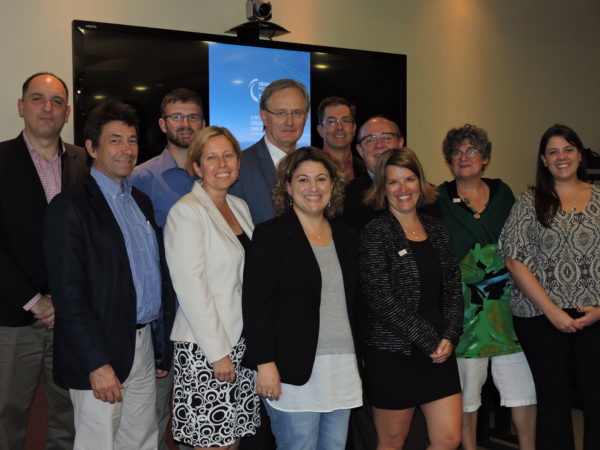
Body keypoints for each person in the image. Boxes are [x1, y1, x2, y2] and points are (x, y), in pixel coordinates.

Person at [44, 99, 172, 449]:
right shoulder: (69, 206)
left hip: (142, 345)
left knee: (142, 441)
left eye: (132, 140)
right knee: (98, 442)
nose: (126, 149)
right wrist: (96, 363)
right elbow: (68, 296)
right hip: (100, 350)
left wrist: (158, 348)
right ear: (91, 147)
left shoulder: (140, 202)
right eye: (115, 140)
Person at [242, 147, 362, 449]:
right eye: (303, 179)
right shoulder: (270, 235)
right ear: (287, 187)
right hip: (293, 369)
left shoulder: (346, 236)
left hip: (343, 366)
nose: (313, 187)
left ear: (333, 185)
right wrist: (265, 363)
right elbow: (256, 306)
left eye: (321, 179)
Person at [498, 124, 600, 450]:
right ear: (543, 160)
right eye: (553, 152)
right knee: (553, 402)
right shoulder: (530, 201)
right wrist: (553, 312)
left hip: (595, 317)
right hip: (540, 317)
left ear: (580, 155)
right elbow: (513, 260)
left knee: (596, 399)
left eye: (568, 149)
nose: (561, 157)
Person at [0, 72, 88, 449]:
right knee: (6, 415)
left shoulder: (86, 161)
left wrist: (67, 301)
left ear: (67, 112)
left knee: (69, 413)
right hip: (12, 317)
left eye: (56, 102)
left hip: (71, 318)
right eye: (38, 99)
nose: (47, 108)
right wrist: (35, 301)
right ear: (22, 107)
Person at [437, 124, 536, 450]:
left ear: (485, 158)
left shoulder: (503, 193)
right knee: (467, 398)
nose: (464, 157)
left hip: (510, 309)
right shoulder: (438, 198)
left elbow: (522, 244)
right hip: (464, 315)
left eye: (472, 151)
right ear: (448, 161)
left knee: (522, 392)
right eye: (456, 152)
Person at [359, 147, 463, 450]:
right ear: (383, 188)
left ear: (420, 182)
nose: (402, 189)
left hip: (441, 351)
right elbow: (380, 299)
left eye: (409, 179)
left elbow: (453, 289)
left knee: (449, 439)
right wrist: (429, 340)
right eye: (393, 182)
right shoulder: (375, 233)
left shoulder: (437, 230)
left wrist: (450, 335)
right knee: (392, 442)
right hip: (394, 355)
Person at [164, 126, 260, 449]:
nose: (222, 164)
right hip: (206, 349)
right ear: (197, 166)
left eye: (228, 156)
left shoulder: (239, 206)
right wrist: (218, 353)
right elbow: (191, 288)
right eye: (211, 158)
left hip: (241, 343)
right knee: (213, 442)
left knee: (232, 439)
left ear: (238, 163)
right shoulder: (186, 212)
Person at [131, 87, 205, 450]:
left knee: (201, 418)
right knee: (155, 417)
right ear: (163, 124)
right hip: (162, 321)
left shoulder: (216, 175)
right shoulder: (140, 178)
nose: (185, 123)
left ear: (203, 122)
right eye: (177, 117)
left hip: (207, 319)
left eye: (193, 116)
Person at [229, 78, 309, 225]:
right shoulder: (239, 167)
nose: (290, 122)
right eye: (281, 113)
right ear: (264, 116)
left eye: (297, 113)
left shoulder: (316, 165)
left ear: (306, 117)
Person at [340, 116, 405, 233]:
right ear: (360, 150)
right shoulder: (344, 198)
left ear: (400, 143)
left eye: (387, 137)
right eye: (370, 139)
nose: (379, 145)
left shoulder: (423, 194)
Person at [316, 96, 365, 181]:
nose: (339, 127)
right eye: (331, 122)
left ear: (354, 129)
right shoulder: (308, 167)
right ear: (320, 130)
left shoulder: (366, 168)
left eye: (345, 121)